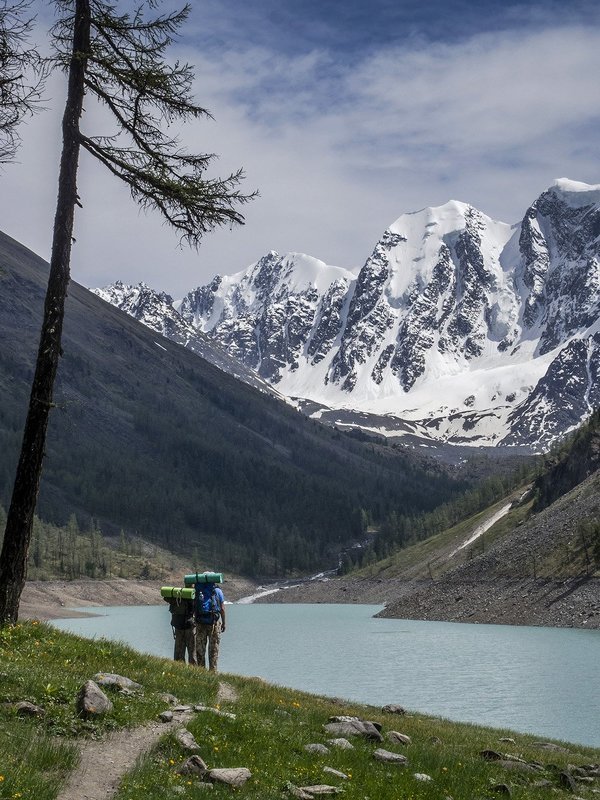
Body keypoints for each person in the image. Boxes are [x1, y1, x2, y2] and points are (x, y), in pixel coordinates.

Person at [195, 581, 226, 670]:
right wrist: (224, 623)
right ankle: (213, 673)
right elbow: (222, 609)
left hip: (200, 623)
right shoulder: (218, 591)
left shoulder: (198, 590)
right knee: (213, 650)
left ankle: (201, 672)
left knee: (200, 650)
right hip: (214, 623)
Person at [164, 595, 197, 665]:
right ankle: (194, 671)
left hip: (178, 626)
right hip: (190, 627)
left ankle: (179, 669)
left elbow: (165, 598)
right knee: (192, 653)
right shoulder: (194, 595)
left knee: (179, 654)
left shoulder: (178, 595)